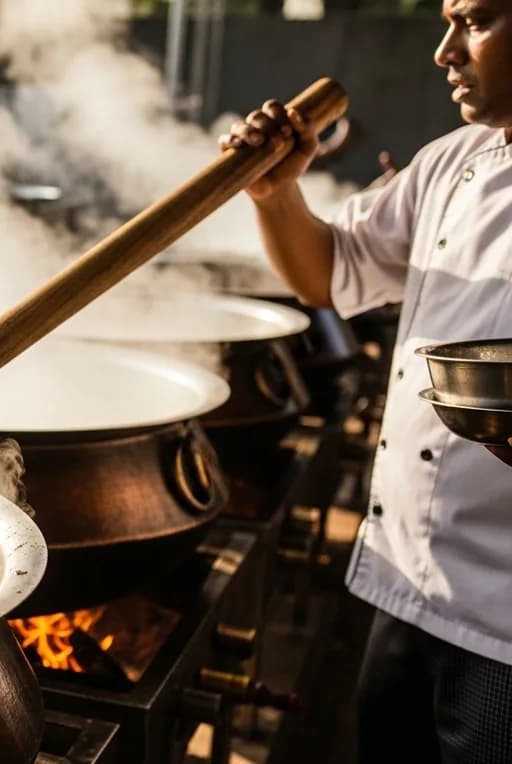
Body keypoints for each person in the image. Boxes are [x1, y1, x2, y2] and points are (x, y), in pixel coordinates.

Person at [221, 1, 512, 761]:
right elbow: (330, 271)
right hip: (405, 579)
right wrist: (276, 192)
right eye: (446, 20)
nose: (445, 52)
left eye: (476, 22)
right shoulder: (454, 161)